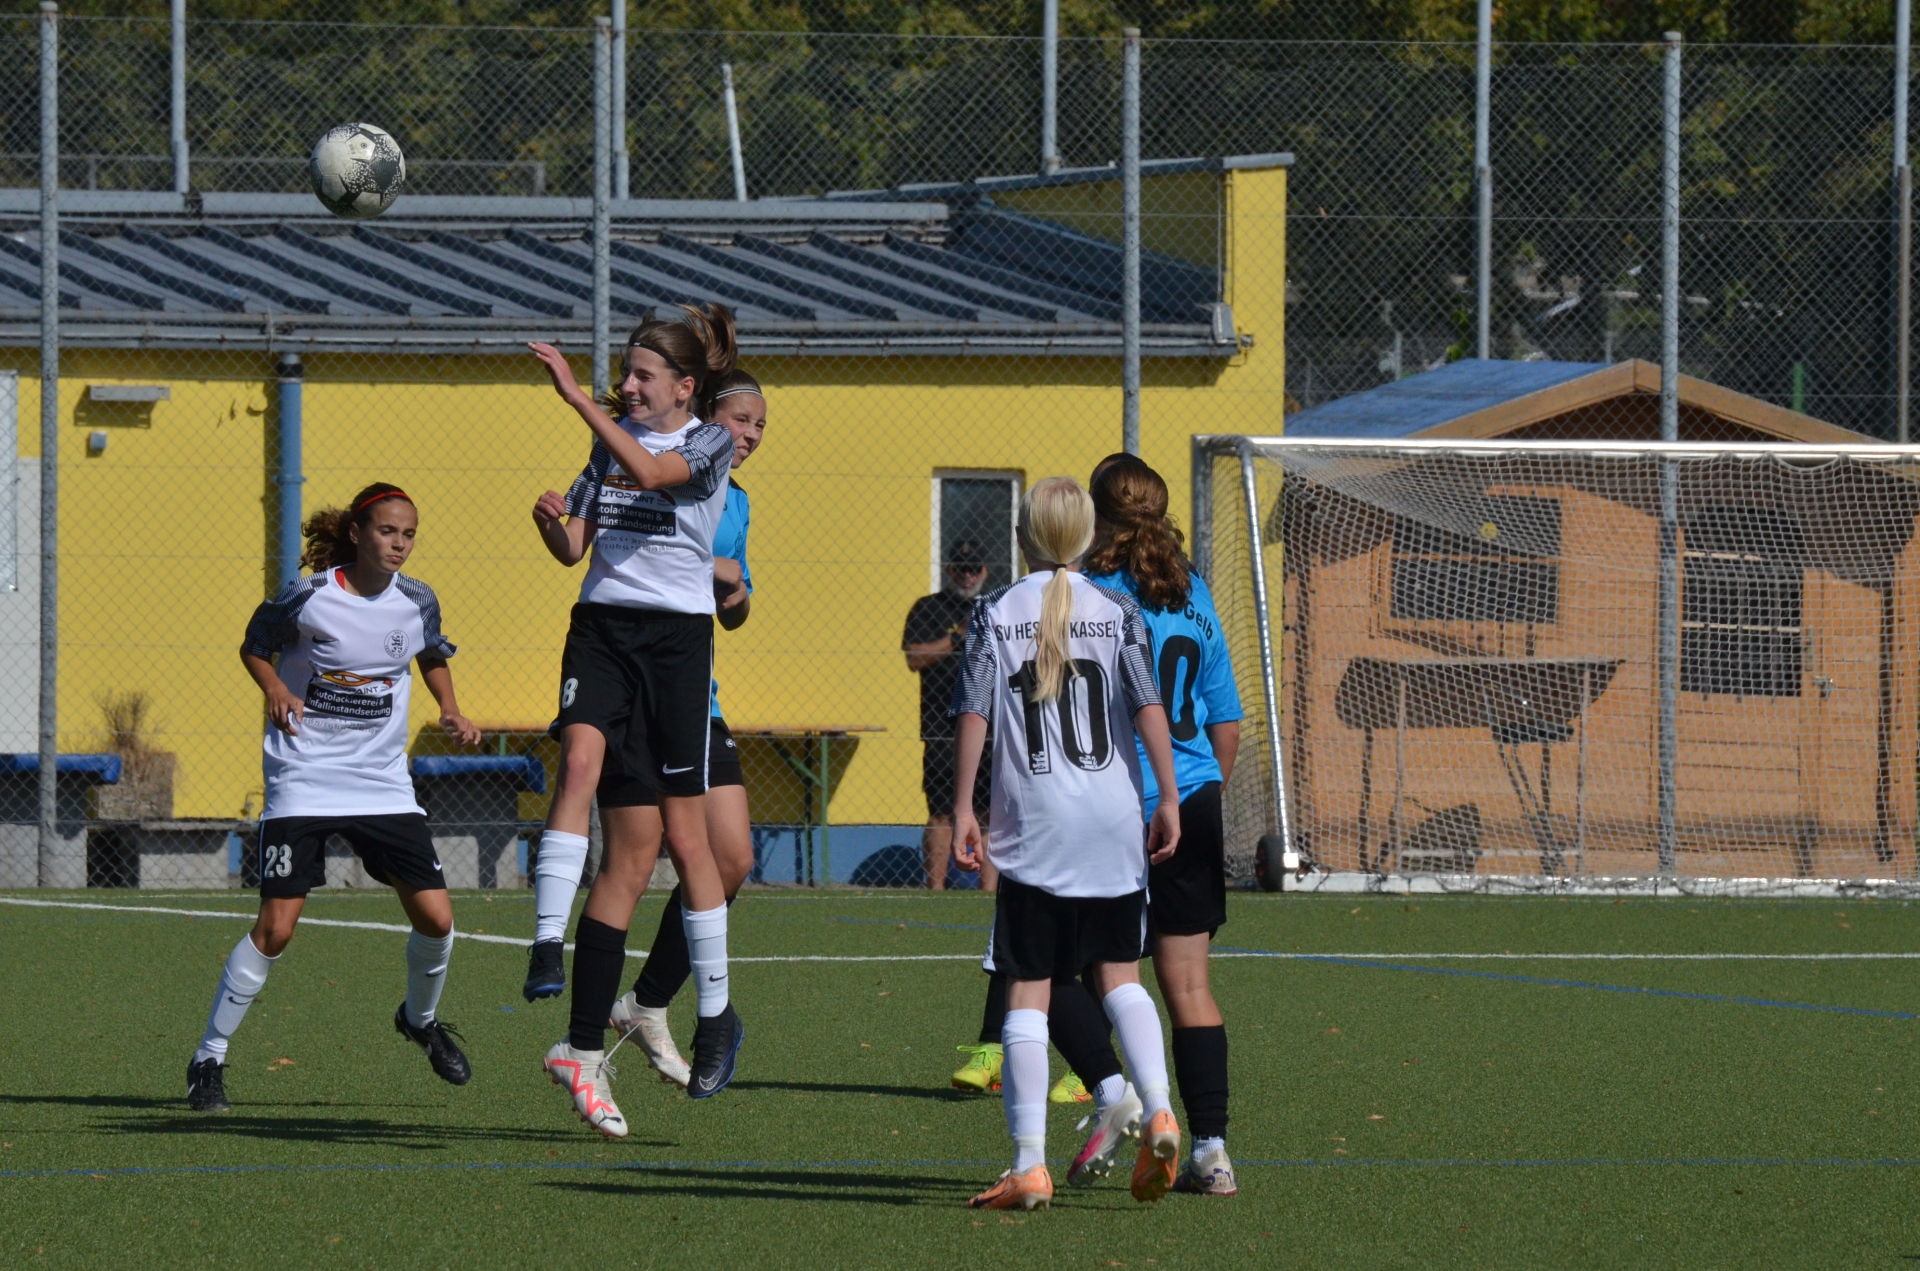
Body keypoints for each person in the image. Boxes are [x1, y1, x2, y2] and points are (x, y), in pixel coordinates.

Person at [953, 455, 1247, 1196]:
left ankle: (1073, 1125)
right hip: (1163, 806)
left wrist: (965, 806)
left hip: (1075, 811)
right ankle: (1197, 1137)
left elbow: (983, 709)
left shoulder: (1040, 600)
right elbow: (1202, 716)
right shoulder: (1178, 593)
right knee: (1162, 981)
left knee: (1039, 978)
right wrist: (1185, 793)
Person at [185, 484, 482, 1113]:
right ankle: (208, 1058)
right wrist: (274, 687)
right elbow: (254, 647)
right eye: (386, 531)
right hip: (305, 775)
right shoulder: (309, 594)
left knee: (437, 919)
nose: (398, 544)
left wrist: (451, 707)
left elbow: (431, 652)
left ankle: (420, 1020)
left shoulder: (416, 599)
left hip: (381, 781)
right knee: (276, 928)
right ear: (356, 533)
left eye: (408, 534)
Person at [524, 305, 744, 1137]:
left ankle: (713, 1015)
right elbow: (576, 547)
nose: (629, 383)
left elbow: (653, 476)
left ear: (685, 387)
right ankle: (552, 960)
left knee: (687, 840)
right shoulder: (608, 439)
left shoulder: (710, 440)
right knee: (582, 770)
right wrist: (552, 527)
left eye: (644, 374)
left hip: (677, 648)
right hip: (603, 631)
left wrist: (578, 399)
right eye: (625, 371)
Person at [604, 368, 767, 1088]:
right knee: (635, 861)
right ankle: (582, 1034)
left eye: (760, 425)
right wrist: (709, 565)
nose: (750, 435)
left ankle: (644, 1003)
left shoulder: (739, 501)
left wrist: (733, 586)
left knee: (733, 858)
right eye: (740, 420)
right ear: (702, 414)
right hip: (638, 692)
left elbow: (736, 607)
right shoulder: (656, 472)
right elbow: (642, 561)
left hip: (700, 697)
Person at [902, 542, 994, 893]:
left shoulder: (995, 607)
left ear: (985, 571)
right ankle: (936, 891)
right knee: (941, 810)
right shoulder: (928, 608)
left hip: (989, 727)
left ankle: (988, 894)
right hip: (941, 727)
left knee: (988, 812)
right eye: (960, 569)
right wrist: (957, 637)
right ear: (949, 570)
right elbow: (914, 657)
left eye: (974, 569)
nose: (967, 576)